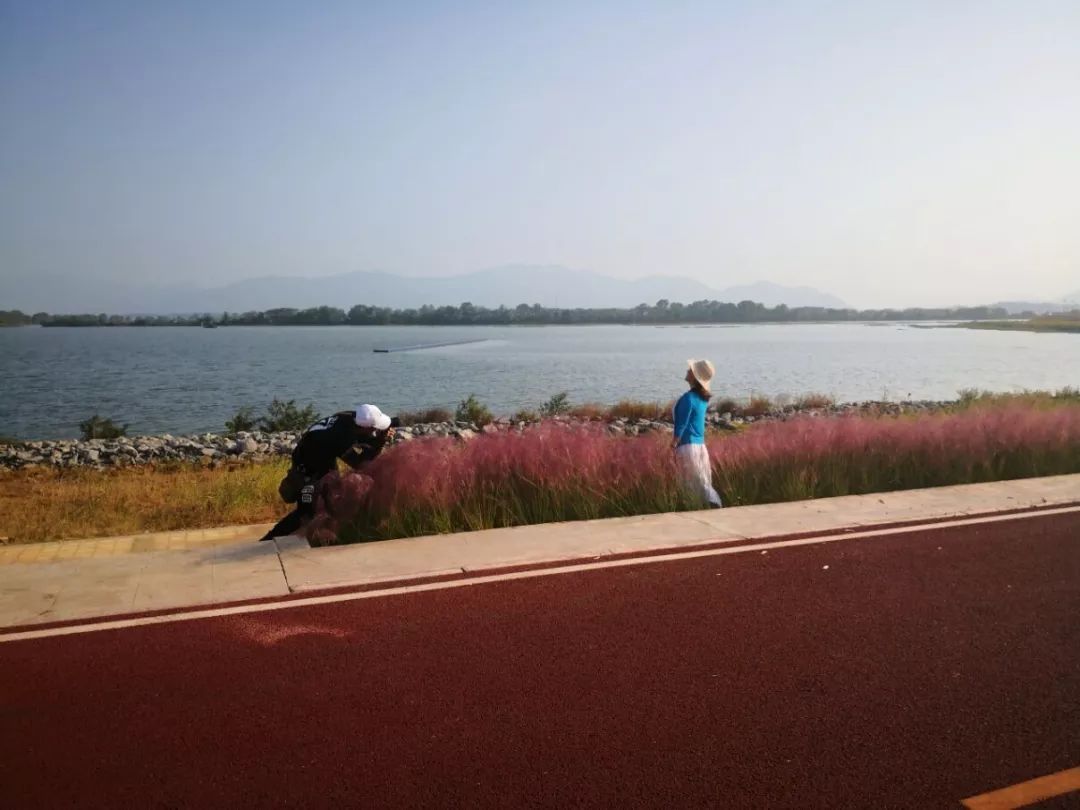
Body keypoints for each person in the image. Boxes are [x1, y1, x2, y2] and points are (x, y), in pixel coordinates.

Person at [259, 404, 399, 541]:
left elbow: (359, 437)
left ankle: (329, 535)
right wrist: (380, 441)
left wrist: (378, 435)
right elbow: (360, 464)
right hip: (308, 467)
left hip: (323, 456)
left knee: (333, 498)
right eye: (374, 428)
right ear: (365, 427)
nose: (376, 431)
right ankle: (268, 540)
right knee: (307, 512)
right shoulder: (339, 438)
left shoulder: (350, 417)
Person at [673, 359, 723, 508]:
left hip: (688, 447)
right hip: (700, 446)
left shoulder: (688, 398)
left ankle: (714, 506)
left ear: (694, 377)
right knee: (702, 482)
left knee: (691, 484)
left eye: (690, 370)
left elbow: (682, 424)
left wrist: (673, 444)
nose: (687, 371)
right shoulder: (702, 398)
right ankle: (711, 506)